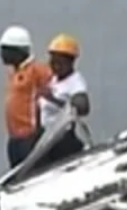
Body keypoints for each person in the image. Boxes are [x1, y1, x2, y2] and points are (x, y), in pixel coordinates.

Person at [0, 25, 52, 169]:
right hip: (15, 137)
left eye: (5, 50)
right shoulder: (15, 73)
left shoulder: (37, 71)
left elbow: (51, 97)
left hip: (30, 137)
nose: (1, 54)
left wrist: (40, 131)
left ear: (17, 50)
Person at [35, 34, 90, 169]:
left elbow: (83, 107)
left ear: (70, 62)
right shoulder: (55, 80)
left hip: (62, 138)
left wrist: (52, 99)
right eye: (52, 62)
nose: (54, 66)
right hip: (46, 137)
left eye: (59, 63)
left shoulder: (75, 83)